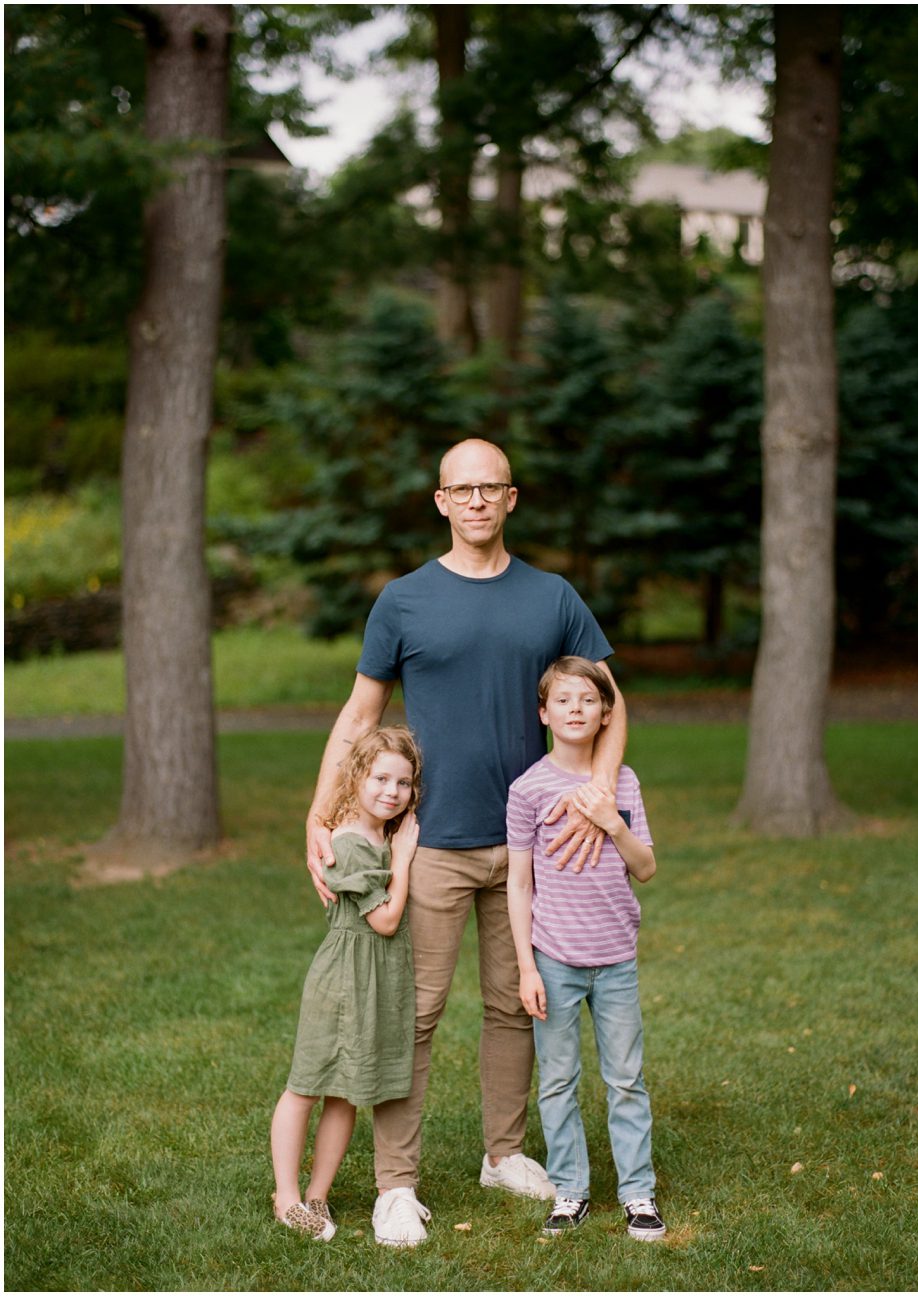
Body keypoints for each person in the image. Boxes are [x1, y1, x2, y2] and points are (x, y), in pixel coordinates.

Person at [304, 438, 628, 1247]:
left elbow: (611, 703)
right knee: (409, 1017)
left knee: (516, 1006)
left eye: (492, 487)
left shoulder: (552, 596)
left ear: (511, 498)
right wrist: (319, 814)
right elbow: (359, 715)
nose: (478, 501)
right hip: (429, 845)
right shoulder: (404, 600)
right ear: (440, 501)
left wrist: (597, 791)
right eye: (462, 489)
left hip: (533, 847)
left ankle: (503, 1153)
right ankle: (396, 1185)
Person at [506, 656, 666, 1242]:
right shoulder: (528, 789)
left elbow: (646, 868)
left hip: (616, 958)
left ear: (605, 713)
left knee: (626, 1078)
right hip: (553, 958)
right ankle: (569, 1191)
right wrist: (527, 967)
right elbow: (519, 882)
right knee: (558, 1079)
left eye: (588, 700)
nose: (576, 709)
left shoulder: (623, 783)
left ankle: (638, 1195)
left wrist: (611, 822)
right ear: (544, 713)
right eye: (564, 700)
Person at [271, 726, 422, 1241]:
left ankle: (318, 1196)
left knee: (346, 1092)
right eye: (380, 778)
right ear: (357, 777)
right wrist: (402, 862)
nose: (391, 791)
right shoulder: (351, 843)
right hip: (342, 980)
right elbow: (383, 920)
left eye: (403, 783)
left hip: (376, 980)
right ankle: (287, 1198)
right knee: (307, 1087)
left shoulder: (383, 833)